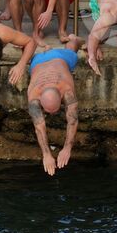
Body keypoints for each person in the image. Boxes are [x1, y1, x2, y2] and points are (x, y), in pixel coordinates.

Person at [25, 37, 83, 176]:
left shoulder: (67, 90)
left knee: (72, 47)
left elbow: (73, 120)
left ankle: (75, 40)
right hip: (37, 62)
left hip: (59, 58)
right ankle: (50, 47)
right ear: (40, 101)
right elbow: (39, 127)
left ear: (61, 96)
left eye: (55, 110)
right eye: (48, 111)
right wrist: (46, 154)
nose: (51, 114)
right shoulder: (33, 95)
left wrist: (67, 148)